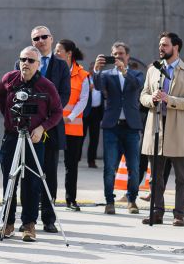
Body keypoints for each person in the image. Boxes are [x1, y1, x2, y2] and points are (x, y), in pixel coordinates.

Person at [0, 47, 64, 241]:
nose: (25, 63)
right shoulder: (9, 79)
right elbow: (2, 101)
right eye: (22, 59)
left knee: (32, 183)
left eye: (31, 60)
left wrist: (43, 127)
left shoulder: (46, 85)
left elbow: (57, 112)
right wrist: (10, 120)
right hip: (12, 137)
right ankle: (7, 224)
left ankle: (29, 225)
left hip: (35, 139)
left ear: (38, 64)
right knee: (9, 181)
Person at [139, 33, 184, 226]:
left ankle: (179, 214)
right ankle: (157, 211)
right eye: (160, 45)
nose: (161, 48)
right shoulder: (153, 70)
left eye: (165, 45)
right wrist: (152, 99)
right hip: (155, 126)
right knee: (155, 176)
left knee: (181, 175)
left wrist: (169, 100)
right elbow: (143, 95)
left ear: (176, 47)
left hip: (178, 129)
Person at [94, 43, 145, 214]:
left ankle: (132, 200)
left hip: (131, 127)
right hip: (111, 127)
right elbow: (98, 87)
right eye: (115, 54)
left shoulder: (137, 74)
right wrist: (96, 70)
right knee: (109, 167)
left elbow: (137, 86)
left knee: (134, 166)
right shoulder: (107, 75)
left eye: (121, 53)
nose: (118, 56)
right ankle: (110, 201)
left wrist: (124, 71)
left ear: (128, 56)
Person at [30, 25, 70, 231]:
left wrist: (47, 118)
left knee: (49, 174)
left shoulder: (62, 66)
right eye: (36, 38)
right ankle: (29, 220)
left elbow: (64, 95)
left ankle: (49, 218)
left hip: (51, 128)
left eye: (44, 36)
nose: (41, 40)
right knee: (29, 174)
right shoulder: (26, 61)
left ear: (51, 39)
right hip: (29, 128)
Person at [57, 39, 91, 211]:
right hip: (53, 124)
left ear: (69, 53)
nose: (56, 54)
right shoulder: (54, 72)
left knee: (71, 165)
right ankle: (48, 198)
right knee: (49, 162)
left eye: (59, 51)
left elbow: (83, 100)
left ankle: (71, 199)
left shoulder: (83, 75)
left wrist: (69, 117)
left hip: (73, 125)